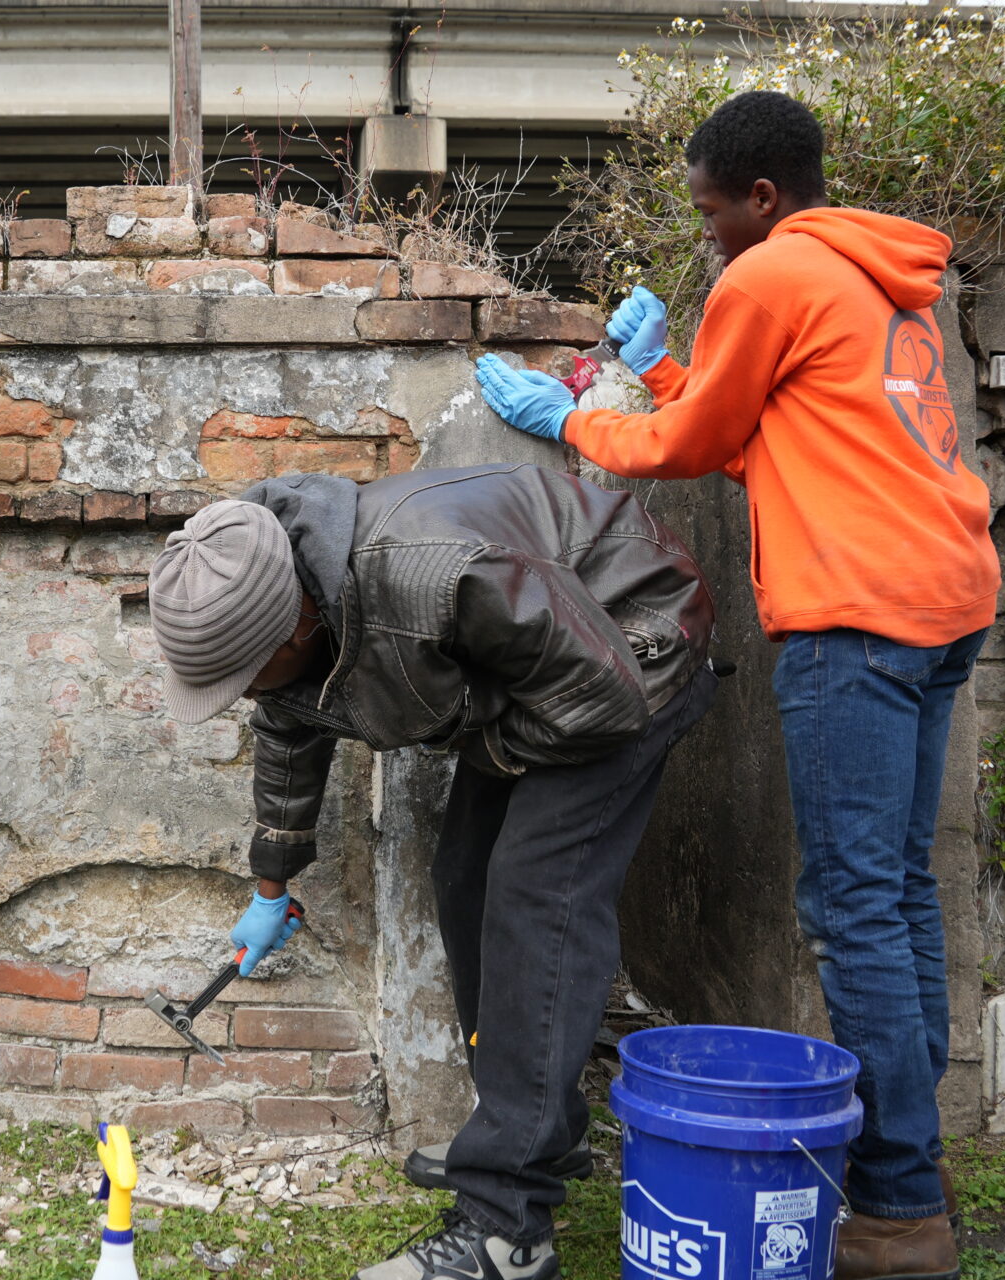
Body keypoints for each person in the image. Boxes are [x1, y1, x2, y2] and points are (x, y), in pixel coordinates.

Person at [475, 91, 1000, 1280]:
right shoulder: (874, 273)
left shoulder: (768, 277)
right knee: (900, 891)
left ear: (763, 196)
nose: (706, 233)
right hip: (947, 595)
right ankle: (916, 1166)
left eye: (713, 213)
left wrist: (579, 418)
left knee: (854, 906)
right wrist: (660, 364)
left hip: (856, 612)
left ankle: (901, 1209)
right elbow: (779, 420)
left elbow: (695, 445)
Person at [148, 465, 718, 1280]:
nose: (240, 698)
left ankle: (506, 1227)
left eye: (242, 677)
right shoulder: (259, 568)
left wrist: (484, 740)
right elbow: (287, 721)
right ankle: (533, 1137)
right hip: (542, 667)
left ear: (294, 629)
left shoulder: (432, 576)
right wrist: (270, 882)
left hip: (630, 644)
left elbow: (604, 699)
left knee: (535, 896)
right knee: (462, 877)